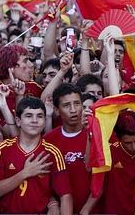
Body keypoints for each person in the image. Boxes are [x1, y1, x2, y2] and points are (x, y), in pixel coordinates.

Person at [0, 97, 72, 214]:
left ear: (44, 122)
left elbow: (65, 195)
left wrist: (54, 204)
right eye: (29, 116)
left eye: (39, 116)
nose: (35, 120)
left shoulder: (52, 152)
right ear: (18, 121)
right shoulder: (2, 148)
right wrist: (25, 173)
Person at [44, 83, 99, 214]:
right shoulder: (48, 140)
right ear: (57, 110)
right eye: (66, 105)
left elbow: (102, 178)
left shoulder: (97, 134)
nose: (73, 110)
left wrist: (86, 209)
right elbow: (43, 182)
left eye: (77, 103)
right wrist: (52, 203)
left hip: (94, 211)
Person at [101, 110, 135, 215]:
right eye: (128, 143)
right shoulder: (110, 151)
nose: (134, 147)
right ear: (117, 137)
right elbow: (89, 168)